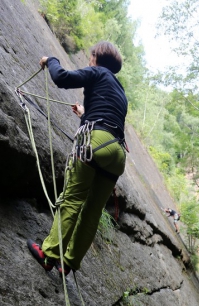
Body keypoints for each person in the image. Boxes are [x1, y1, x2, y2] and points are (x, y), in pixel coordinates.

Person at [27, 41, 128, 276]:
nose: (89, 60)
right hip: (117, 154)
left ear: (95, 57)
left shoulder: (98, 71)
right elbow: (108, 116)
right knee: (92, 212)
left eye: (90, 56)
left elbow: (61, 77)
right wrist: (85, 114)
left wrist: (50, 60)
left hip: (95, 143)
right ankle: (68, 263)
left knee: (72, 199)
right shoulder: (121, 92)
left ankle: (49, 254)